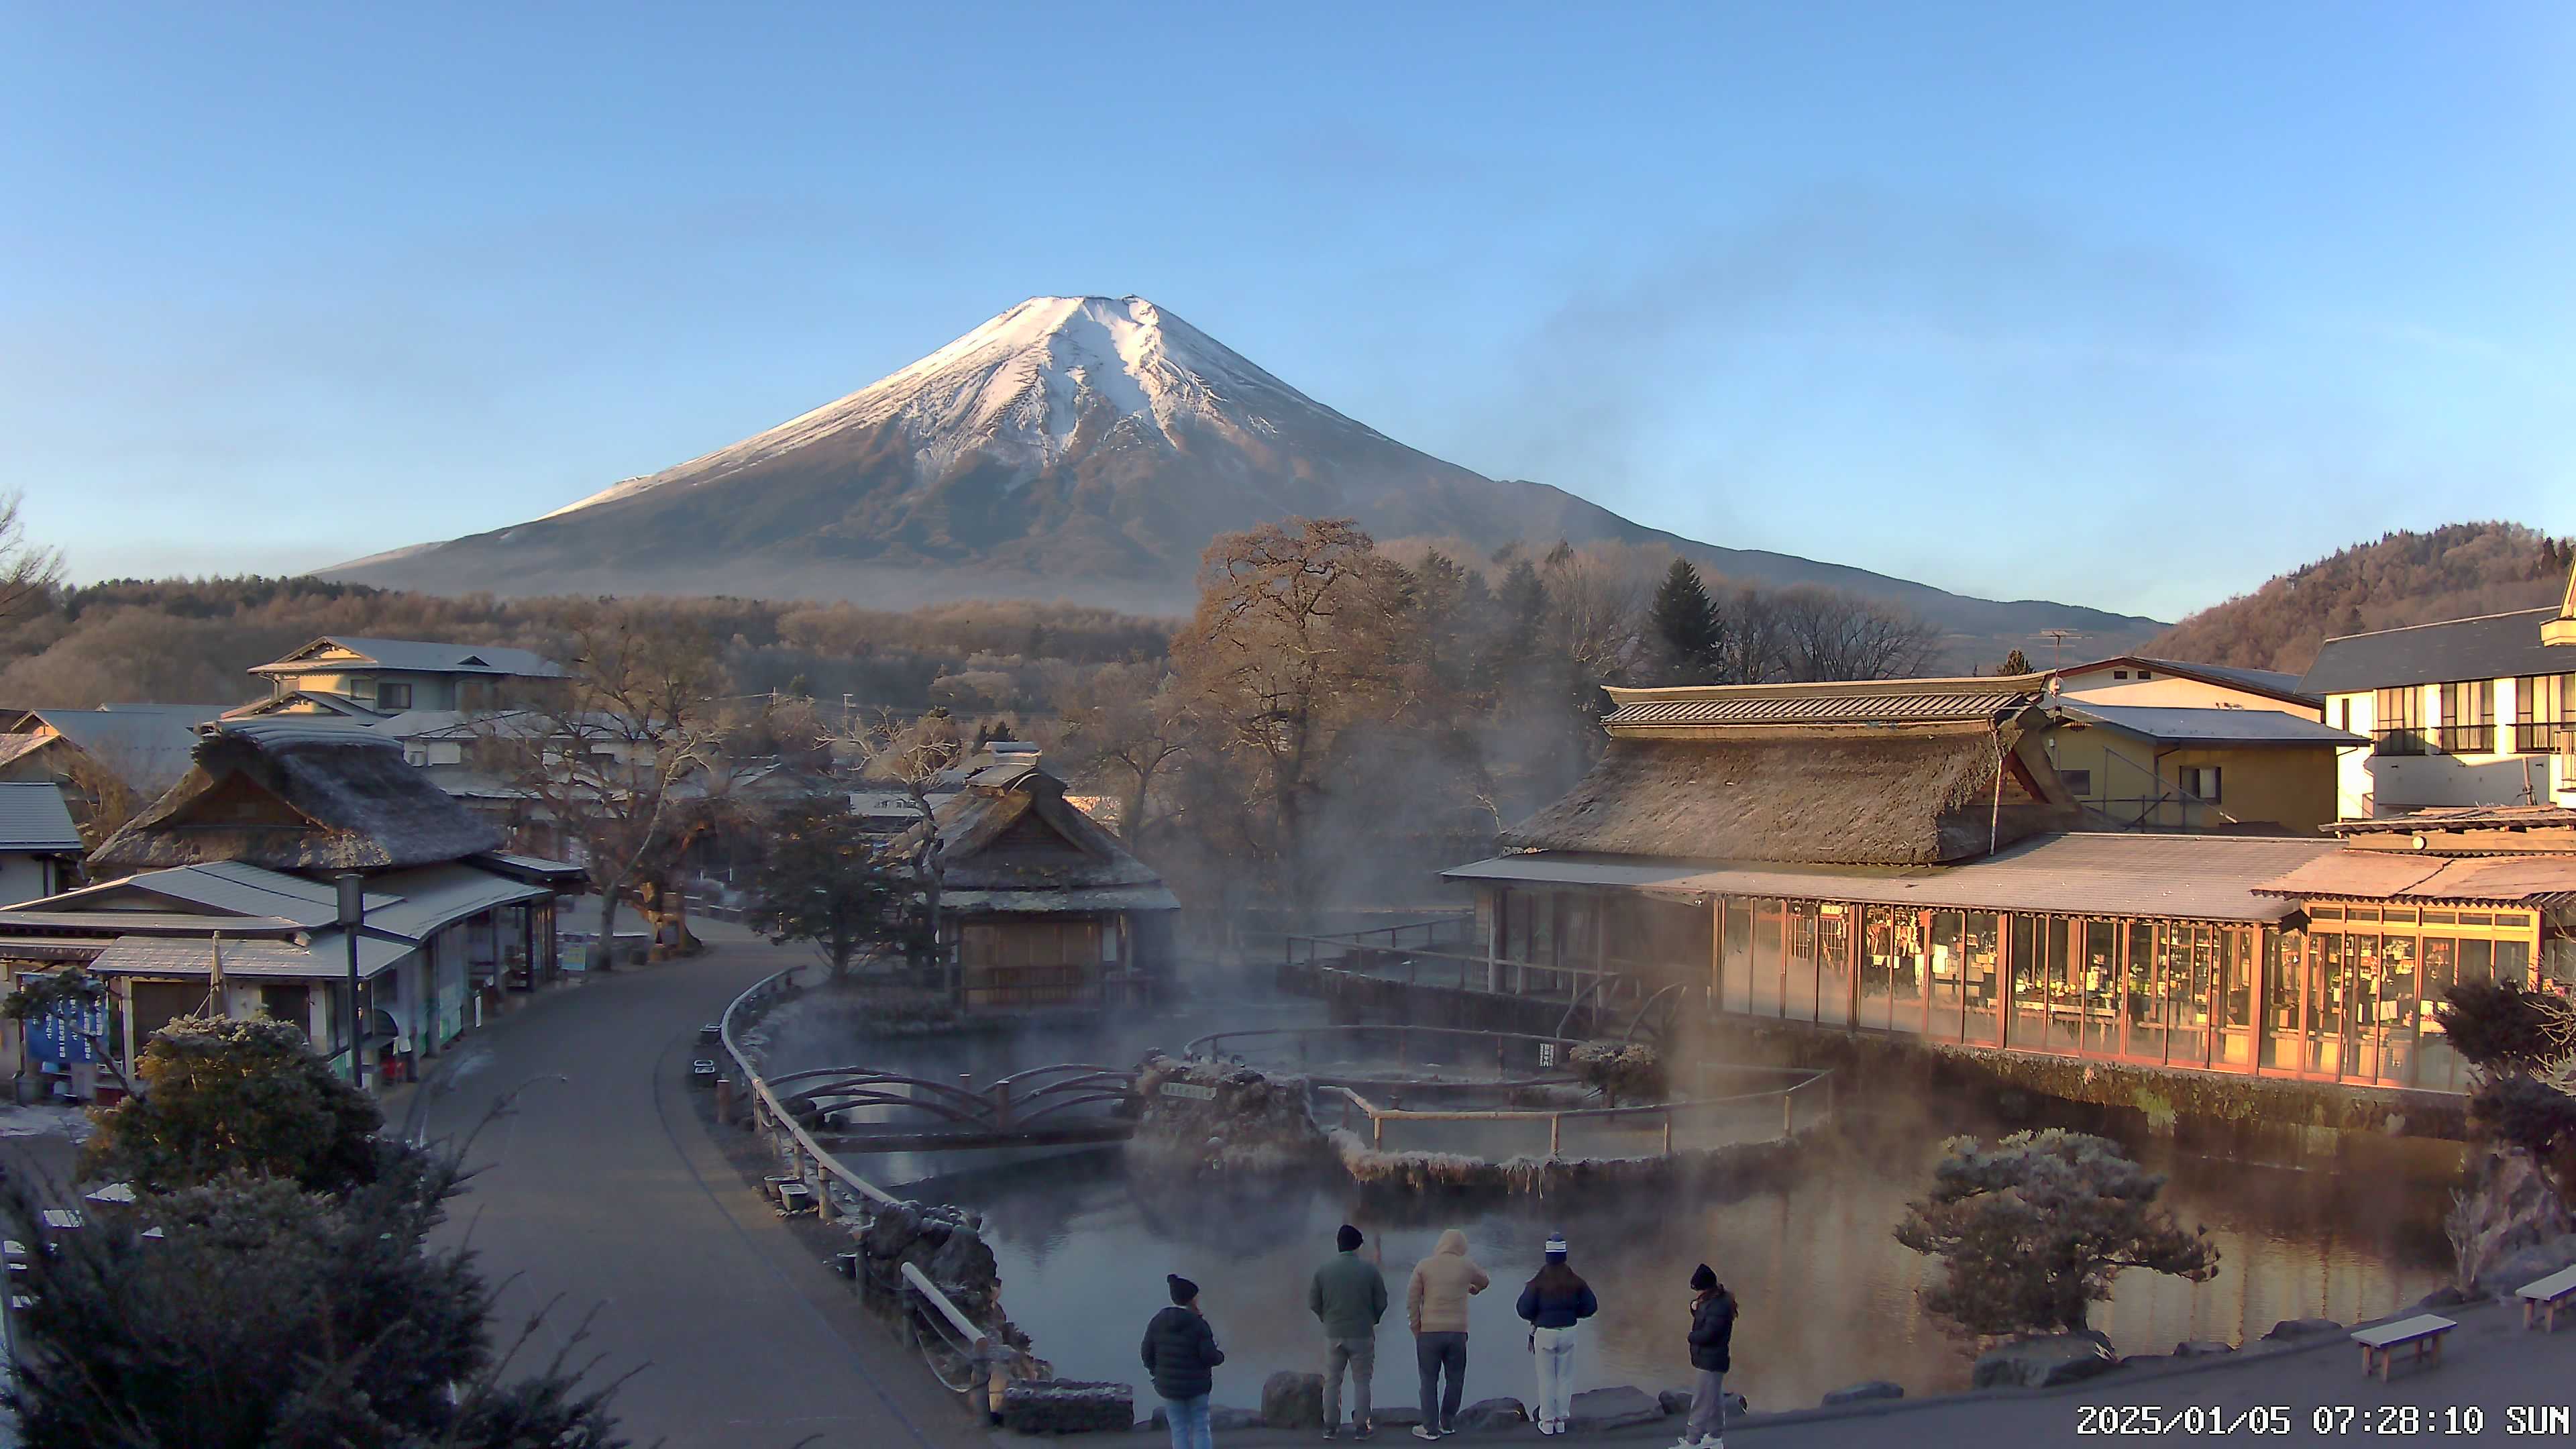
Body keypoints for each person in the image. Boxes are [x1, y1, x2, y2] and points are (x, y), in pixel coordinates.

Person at [1406, 1228, 1490, 1439]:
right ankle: (1447, 1422)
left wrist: (1416, 1328)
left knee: (1428, 1380)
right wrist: (1475, 1289)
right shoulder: (1466, 1265)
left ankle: (1430, 1428)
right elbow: (1485, 1280)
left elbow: (1412, 1300)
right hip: (1457, 1333)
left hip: (1429, 1332)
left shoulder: (1424, 1266)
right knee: (1455, 1379)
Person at [1310, 1223, 1389, 1440]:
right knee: (1362, 1380)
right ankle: (1362, 1428)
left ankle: (1330, 1427)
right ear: (1357, 1247)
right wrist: (1373, 1319)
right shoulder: (1370, 1270)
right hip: (1362, 1333)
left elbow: (1313, 1302)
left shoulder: (1323, 1271)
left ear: (1338, 1245)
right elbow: (1382, 1301)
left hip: (1334, 1333)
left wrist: (1327, 1319)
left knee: (1332, 1380)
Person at [1513, 1234, 1596, 1437]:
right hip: (1568, 1331)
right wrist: (1574, 1314)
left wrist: (1539, 1315)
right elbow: (1591, 1307)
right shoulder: (1576, 1281)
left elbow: (1523, 1309)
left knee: (1547, 1378)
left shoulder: (1538, 1281)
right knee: (1565, 1378)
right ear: (1565, 1255)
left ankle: (1547, 1421)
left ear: (1547, 1255)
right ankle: (1561, 1420)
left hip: (1545, 1333)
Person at [1143, 1273, 1226, 1449]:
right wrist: (1220, 1356)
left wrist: (1157, 1373)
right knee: (1201, 1427)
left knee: (1179, 1429)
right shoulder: (1199, 1325)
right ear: (1191, 1299)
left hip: (1169, 1387)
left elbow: (1146, 1353)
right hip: (1197, 1387)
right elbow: (1209, 1356)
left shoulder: (1158, 1322)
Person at [1677, 1264, 1737, 1449]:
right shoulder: (1714, 1300)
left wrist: (1691, 1337)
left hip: (1711, 1359)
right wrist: (1694, 1308)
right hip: (1711, 1359)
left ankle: (1692, 1441)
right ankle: (1715, 1436)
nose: (1697, 1294)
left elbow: (1710, 1333)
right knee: (1715, 1397)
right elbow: (1704, 1317)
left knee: (1701, 1401)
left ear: (1706, 1287)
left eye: (1698, 1289)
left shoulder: (1719, 1306)